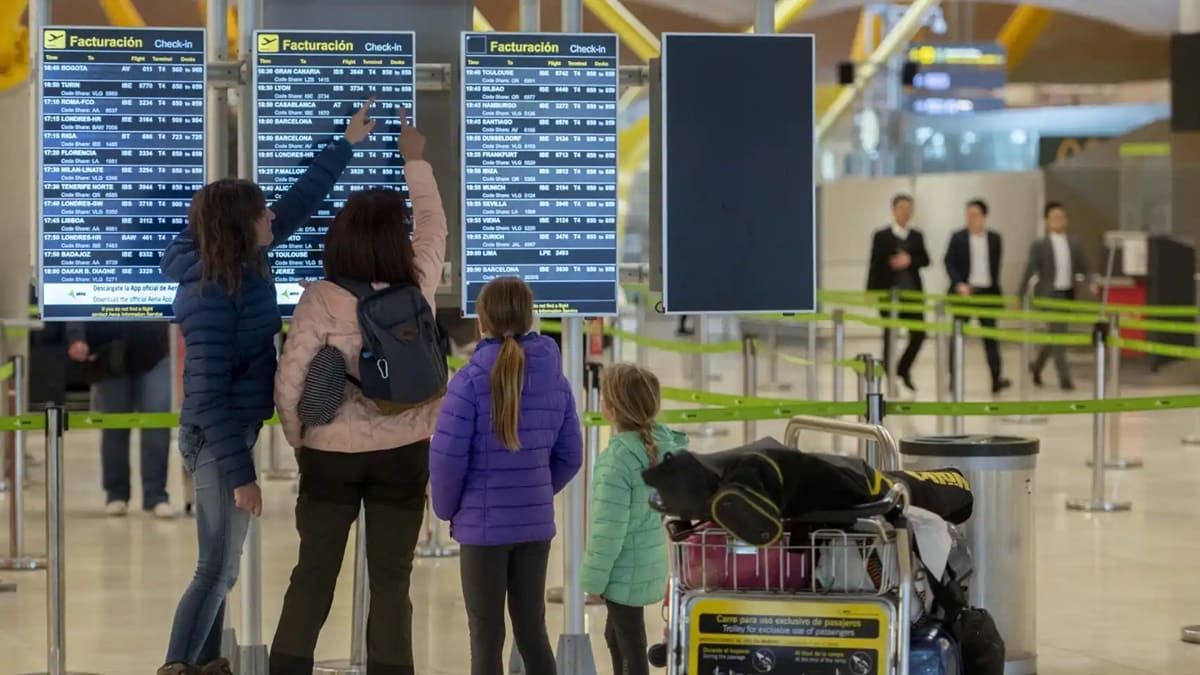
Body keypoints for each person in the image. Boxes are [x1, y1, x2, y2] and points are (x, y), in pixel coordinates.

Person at [156, 99, 376, 675]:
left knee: (221, 567)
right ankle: (178, 664)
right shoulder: (209, 293)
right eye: (261, 214)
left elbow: (298, 203)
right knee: (217, 569)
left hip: (230, 432)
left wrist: (347, 143)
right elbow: (204, 398)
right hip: (216, 440)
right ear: (239, 224)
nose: (272, 219)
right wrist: (244, 477)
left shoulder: (241, 261)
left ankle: (205, 665)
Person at [268, 111, 446, 675]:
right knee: (392, 581)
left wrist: (302, 439)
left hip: (330, 457)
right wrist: (414, 159)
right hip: (404, 450)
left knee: (313, 574)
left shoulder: (320, 297)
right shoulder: (416, 284)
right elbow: (434, 224)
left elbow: (291, 380)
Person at [430, 276, 583, 675]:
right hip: (534, 527)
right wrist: (534, 491)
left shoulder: (466, 382)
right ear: (531, 318)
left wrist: (449, 511)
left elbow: (447, 459)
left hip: (482, 530)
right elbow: (571, 454)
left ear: (481, 321)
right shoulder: (555, 379)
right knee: (533, 631)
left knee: (486, 636)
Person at [581, 364, 684, 675]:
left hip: (622, 570)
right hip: (648, 562)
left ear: (610, 409)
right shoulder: (663, 447)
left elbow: (607, 531)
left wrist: (594, 583)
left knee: (630, 644)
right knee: (617, 636)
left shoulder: (616, 462)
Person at [66, 322, 174, 517]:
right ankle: (116, 494)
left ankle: (156, 495)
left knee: (157, 424)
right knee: (114, 427)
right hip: (109, 352)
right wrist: (76, 337)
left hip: (154, 350)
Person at [1020, 202, 1096, 391]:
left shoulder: (1074, 243)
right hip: (1048, 295)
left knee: (1055, 335)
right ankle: (1065, 379)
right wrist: (1020, 295)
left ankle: (1037, 367)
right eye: (1054, 217)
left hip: (1067, 293)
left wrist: (1091, 281)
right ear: (1046, 221)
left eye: (1061, 217)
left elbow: (1084, 266)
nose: (1058, 221)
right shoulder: (1039, 245)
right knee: (1058, 335)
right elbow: (1029, 270)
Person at [943, 199, 1011, 394]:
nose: (971, 218)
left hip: (987, 293)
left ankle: (996, 378)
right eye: (968, 214)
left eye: (975, 214)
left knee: (991, 338)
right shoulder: (958, 237)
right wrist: (959, 284)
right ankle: (953, 379)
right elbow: (949, 262)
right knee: (957, 338)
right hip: (964, 293)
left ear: (984, 216)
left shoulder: (995, 239)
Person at [867, 193, 930, 392]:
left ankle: (903, 368)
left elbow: (926, 260)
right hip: (889, 294)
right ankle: (890, 377)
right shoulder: (882, 235)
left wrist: (910, 260)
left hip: (912, 294)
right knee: (890, 336)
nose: (906, 212)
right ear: (893, 210)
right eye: (902, 208)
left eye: (909, 208)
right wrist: (871, 291)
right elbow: (874, 264)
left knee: (919, 334)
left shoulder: (917, 236)